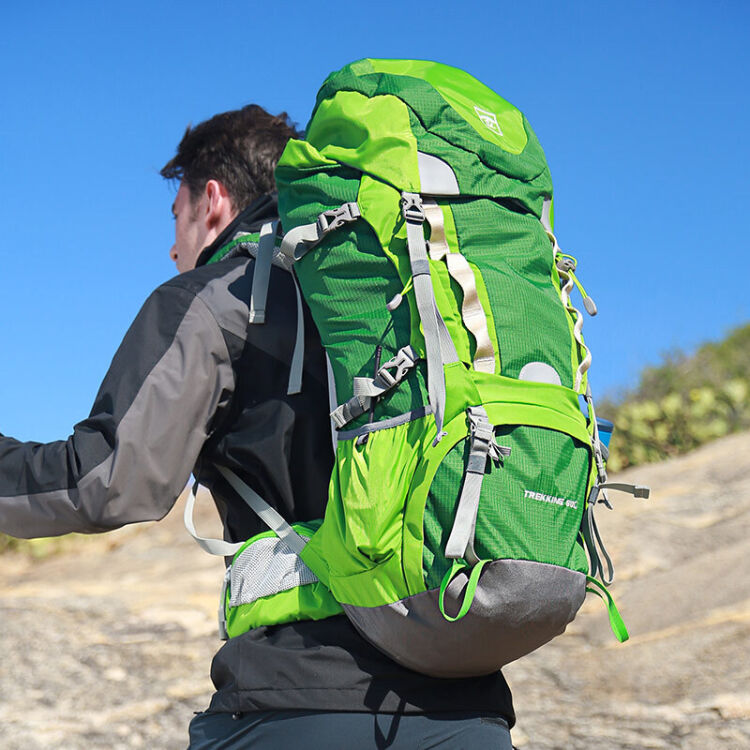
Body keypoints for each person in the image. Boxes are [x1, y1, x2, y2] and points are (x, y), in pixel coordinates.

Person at [0, 104, 516, 749]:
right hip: (470, 706)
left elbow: (104, 480)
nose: (173, 245)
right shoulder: (414, 293)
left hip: (298, 700)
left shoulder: (217, 298)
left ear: (212, 200)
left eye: (177, 216)